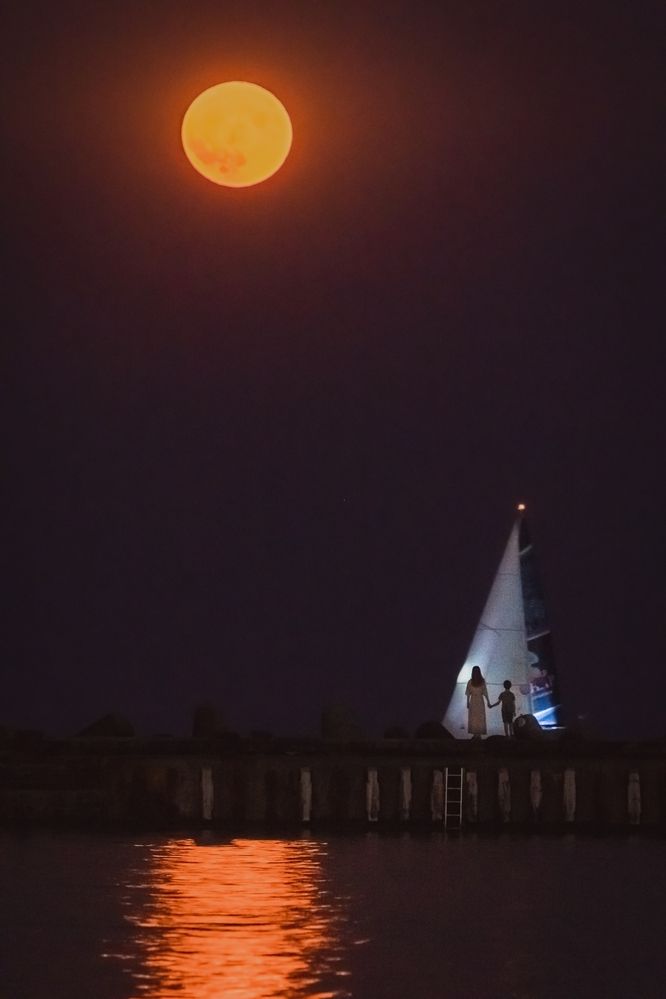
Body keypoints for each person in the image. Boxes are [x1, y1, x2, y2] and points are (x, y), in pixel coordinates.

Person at [465, 665, 491, 738]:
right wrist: (488, 702)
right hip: (478, 701)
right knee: (478, 717)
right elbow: (485, 693)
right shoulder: (472, 682)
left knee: (475, 717)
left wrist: (467, 702)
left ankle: (477, 734)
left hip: (474, 701)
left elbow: (468, 693)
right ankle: (477, 734)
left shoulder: (472, 682)